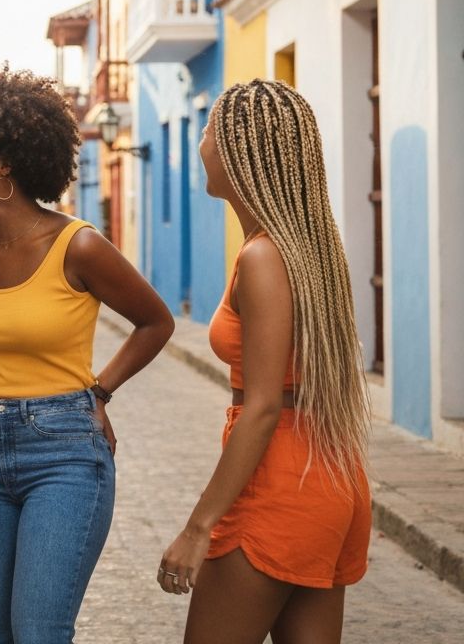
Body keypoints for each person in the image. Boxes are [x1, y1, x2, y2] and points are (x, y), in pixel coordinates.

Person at [0, 65, 175, 644]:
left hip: (66, 454)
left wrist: (100, 389)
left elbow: (155, 322)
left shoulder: (80, 246)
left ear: (7, 164)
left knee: (38, 630)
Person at [158, 79, 371, 644]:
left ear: (235, 148)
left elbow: (262, 407)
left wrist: (198, 527)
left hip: (275, 485)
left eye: (206, 130)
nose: (199, 143)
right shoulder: (308, 247)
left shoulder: (262, 256)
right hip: (329, 475)